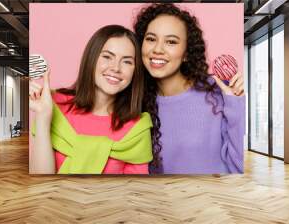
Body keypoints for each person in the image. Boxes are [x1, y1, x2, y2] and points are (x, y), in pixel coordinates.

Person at [133, 3, 245, 174]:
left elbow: (237, 168)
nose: (157, 49)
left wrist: (235, 103)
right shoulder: (134, 100)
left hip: (214, 198)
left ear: (186, 53)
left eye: (171, 41)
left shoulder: (216, 93)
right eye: (150, 39)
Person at [29, 25, 153, 174]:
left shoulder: (137, 127)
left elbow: (135, 192)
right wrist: (43, 117)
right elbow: (41, 184)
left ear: (135, 71)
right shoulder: (52, 105)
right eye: (107, 57)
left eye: (127, 61)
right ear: (91, 59)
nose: (116, 68)